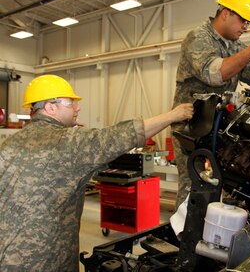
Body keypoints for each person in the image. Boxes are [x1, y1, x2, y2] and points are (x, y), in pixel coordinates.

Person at [0, 74, 194, 271]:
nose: (77, 108)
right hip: (44, 260)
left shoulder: (9, 143)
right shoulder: (67, 141)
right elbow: (119, 136)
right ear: (50, 107)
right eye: (70, 103)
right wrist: (173, 115)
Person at [171, 0, 250, 208]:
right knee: (195, 186)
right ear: (226, 13)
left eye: (248, 22)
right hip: (192, 129)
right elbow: (215, 73)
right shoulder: (198, 38)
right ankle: (185, 236)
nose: (246, 27)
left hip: (220, 129)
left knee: (221, 185)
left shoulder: (235, 46)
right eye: (243, 21)